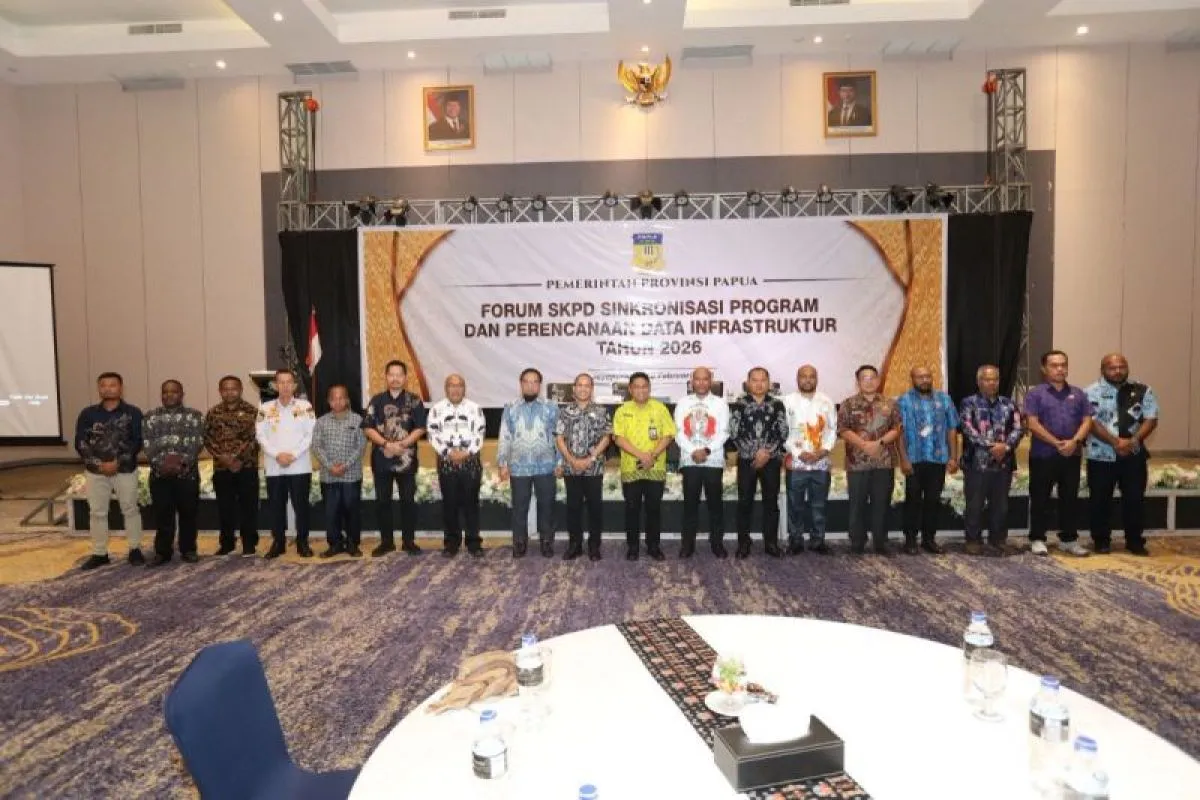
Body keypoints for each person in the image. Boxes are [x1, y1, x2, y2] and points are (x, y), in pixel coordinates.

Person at [1085, 354, 1158, 556]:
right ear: (1103, 370)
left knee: (1134, 499)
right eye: (1112, 367)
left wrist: (1132, 441)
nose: (1117, 371)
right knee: (1100, 500)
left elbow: (1151, 419)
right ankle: (1101, 540)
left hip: (1133, 455)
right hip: (1101, 455)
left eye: (1121, 367)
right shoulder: (1090, 392)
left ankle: (1135, 541)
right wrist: (1115, 442)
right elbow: (1091, 422)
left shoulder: (1142, 390)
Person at [1023, 350, 1092, 557]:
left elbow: (1087, 420)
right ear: (1044, 369)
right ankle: (1037, 538)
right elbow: (1032, 423)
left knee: (1070, 498)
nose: (1060, 369)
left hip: (1071, 454)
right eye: (1054, 365)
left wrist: (1075, 441)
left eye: (1063, 365)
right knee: (1040, 498)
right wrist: (1056, 442)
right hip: (1043, 455)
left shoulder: (1078, 394)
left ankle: (1068, 540)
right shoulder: (1035, 394)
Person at [75, 372, 146, 570]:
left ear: (120, 388)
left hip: (125, 470)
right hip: (96, 472)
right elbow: (81, 442)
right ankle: (100, 553)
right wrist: (99, 464)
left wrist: (117, 462)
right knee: (97, 512)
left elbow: (138, 441)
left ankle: (135, 549)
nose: (108, 389)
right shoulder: (88, 414)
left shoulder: (133, 413)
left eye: (112, 385)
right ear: (99, 389)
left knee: (130, 509)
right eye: (103, 385)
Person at [362, 360, 428, 557]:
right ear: (386, 376)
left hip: (406, 461)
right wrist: (386, 445)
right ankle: (386, 542)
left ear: (405, 378)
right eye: (391, 374)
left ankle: (408, 541)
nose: (395, 378)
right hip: (382, 460)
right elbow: (368, 428)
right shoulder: (377, 400)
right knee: (383, 502)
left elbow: (420, 428)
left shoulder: (414, 400)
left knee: (408, 501)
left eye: (399, 375)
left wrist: (402, 445)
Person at [959, 365, 1024, 556]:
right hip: (976, 464)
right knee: (974, 504)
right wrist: (992, 447)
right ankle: (973, 540)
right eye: (987, 379)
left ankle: (998, 539)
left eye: (995, 379)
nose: (992, 383)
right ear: (979, 381)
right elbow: (967, 428)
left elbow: (1018, 428)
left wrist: (1006, 447)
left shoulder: (1009, 404)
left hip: (1003, 463)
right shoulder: (968, 403)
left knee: (1000, 506)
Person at [837, 365, 902, 554]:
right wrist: (864, 445)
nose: (869, 381)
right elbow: (843, 429)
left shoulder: (890, 404)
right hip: (857, 462)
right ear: (857, 382)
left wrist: (879, 443)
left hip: (883, 461)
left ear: (878, 380)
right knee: (857, 504)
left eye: (872, 377)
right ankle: (857, 542)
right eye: (864, 378)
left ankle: (880, 542)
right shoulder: (848, 404)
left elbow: (897, 428)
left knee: (881, 503)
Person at [497, 368, 561, 558]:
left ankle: (547, 542)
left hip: (546, 466)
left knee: (547, 505)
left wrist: (560, 461)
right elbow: (504, 436)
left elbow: (559, 436)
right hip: (519, 467)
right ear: (521, 384)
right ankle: (519, 542)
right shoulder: (510, 407)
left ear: (540, 385)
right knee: (519, 507)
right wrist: (502, 463)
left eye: (535, 382)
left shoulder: (551, 407)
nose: (531, 385)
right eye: (527, 381)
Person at [896, 366, 960, 555]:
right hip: (914, 458)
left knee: (933, 500)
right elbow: (898, 432)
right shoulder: (903, 401)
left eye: (927, 376)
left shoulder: (944, 399)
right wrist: (903, 459)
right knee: (913, 500)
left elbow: (952, 429)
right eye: (920, 377)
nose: (924, 380)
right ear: (912, 379)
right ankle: (910, 540)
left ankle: (929, 539)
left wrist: (953, 457)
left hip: (938, 458)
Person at [612, 372, 675, 561]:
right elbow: (618, 438)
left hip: (655, 468)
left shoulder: (660, 408)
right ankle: (633, 547)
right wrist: (641, 456)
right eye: (637, 386)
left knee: (653, 509)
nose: (641, 390)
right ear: (630, 389)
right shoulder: (622, 410)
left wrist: (652, 456)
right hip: (631, 468)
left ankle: (653, 546)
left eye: (644, 386)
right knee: (632, 509)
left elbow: (668, 434)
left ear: (649, 388)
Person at [143, 380, 205, 567]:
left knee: (188, 514)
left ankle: (188, 550)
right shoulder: (150, 417)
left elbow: (197, 443)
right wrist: (162, 465)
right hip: (160, 475)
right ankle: (163, 552)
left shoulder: (194, 416)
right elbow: (147, 444)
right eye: (165, 392)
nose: (169, 395)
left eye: (174, 391)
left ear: (182, 394)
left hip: (187, 474)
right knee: (163, 515)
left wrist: (181, 464)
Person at [256, 368, 316, 559]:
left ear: (295, 385)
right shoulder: (265, 408)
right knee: (276, 507)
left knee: (301, 507)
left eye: (289, 382)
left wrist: (293, 455)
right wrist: (277, 455)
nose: (285, 386)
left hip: (299, 466)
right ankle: (278, 543)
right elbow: (260, 436)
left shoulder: (305, 406)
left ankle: (302, 542)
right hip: (275, 467)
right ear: (275, 385)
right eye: (281, 382)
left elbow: (311, 434)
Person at [730, 367, 789, 559]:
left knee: (771, 503)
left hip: (771, 461)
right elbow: (734, 433)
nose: (759, 384)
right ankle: (743, 543)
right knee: (744, 503)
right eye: (754, 380)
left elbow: (783, 432)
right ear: (748, 383)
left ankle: (770, 543)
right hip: (747, 461)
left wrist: (767, 453)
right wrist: (754, 454)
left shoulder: (777, 404)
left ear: (769, 383)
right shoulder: (739, 404)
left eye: (763, 380)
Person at [427, 374, 487, 558]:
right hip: (447, 461)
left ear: (464, 388)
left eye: (459, 385)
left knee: (471, 503)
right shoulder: (436, 410)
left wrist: (465, 453)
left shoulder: (475, 409)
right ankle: (451, 542)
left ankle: (473, 542)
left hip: (470, 461)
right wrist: (449, 453)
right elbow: (432, 435)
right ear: (446, 388)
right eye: (451, 385)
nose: (455, 389)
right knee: (450, 503)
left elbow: (480, 434)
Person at [673, 367, 730, 559]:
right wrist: (693, 451)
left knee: (715, 505)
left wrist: (706, 450)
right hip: (690, 460)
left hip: (713, 460)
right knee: (690, 505)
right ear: (691, 381)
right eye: (697, 379)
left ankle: (717, 543)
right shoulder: (683, 403)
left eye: (705, 379)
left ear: (711, 381)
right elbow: (678, 432)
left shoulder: (720, 404)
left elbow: (724, 432)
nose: (701, 383)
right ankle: (687, 545)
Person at [555, 373, 612, 561]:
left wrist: (590, 458)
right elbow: (559, 438)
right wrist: (571, 460)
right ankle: (575, 545)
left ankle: (594, 546)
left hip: (594, 468)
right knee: (573, 508)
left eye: (587, 385)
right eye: (579, 385)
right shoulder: (564, 411)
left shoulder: (601, 411)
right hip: (571, 468)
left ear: (592, 389)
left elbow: (607, 437)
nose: (583, 388)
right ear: (574, 388)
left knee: (595, 508)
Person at [782, 365, 837, 555]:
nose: (807, 380)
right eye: (803, 376)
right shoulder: (787, 401)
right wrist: (799, 452)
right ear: (797, 379)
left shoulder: (826, 401)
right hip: (796, 462)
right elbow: (783, 432)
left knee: (819, 505)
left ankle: (818, 540)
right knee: (795, 505)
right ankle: (795, 540)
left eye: (811, 376)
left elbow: (832, 430)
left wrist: (823, 451)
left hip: (820, 462)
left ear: (817, 378)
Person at [203, 375, 261, 556]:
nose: (230, 392)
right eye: (226, 389)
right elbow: (207, 438)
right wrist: (223, 458)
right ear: (220, 391)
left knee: (248, 507)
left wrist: (238, 458)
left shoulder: (253, 412)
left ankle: (249, 543)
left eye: (233, 389)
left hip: (246, 467)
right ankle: (227, 543)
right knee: (225, 507)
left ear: (241, 390)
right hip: (222, 468)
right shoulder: (213, 413)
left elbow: (256, 439)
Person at [312, 385, 366, 558]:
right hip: (329, 476)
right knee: (331, 513)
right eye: (334, 398)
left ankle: (352, 544)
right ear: (329, 401)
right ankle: (334, 544)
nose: (338, 401)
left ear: (347, 400)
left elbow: (361, 446)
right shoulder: (321, 422)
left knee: (352, 511)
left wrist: (345, 465)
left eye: (341, 397)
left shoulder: (357, 420)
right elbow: (316, 446)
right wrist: (330, 466)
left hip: (351, 475)